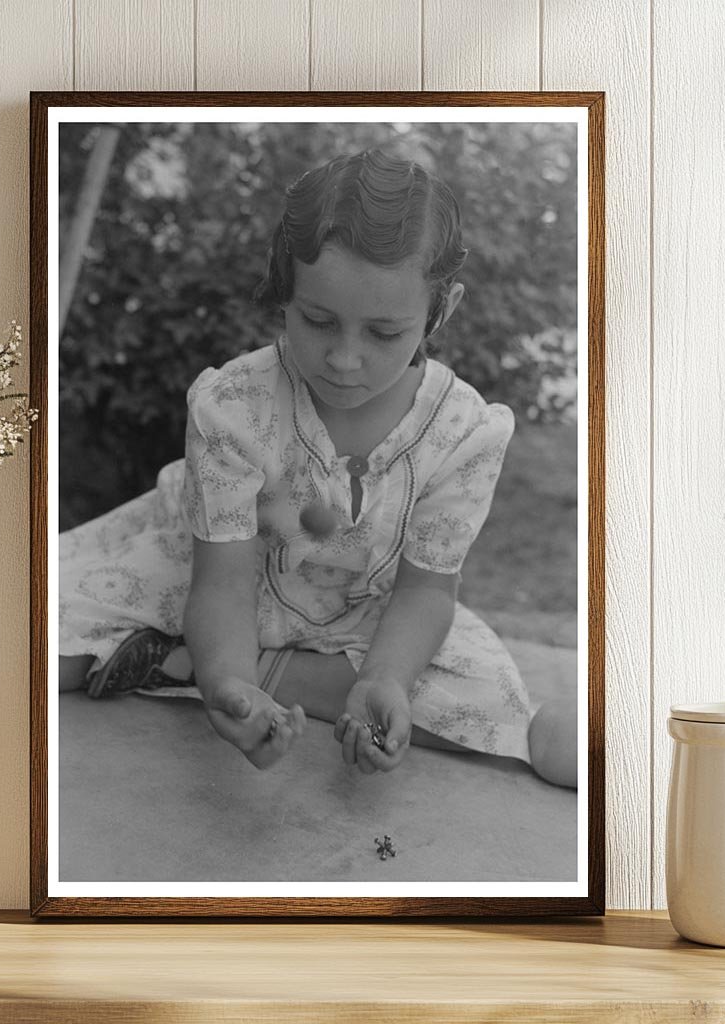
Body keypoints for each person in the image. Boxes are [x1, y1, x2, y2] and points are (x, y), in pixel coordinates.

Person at [59, 147, 576, 786]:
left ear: (442, 308)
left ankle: (179, 664)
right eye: (318, 320)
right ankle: (215, 665)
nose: (344, 359)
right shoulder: (234, 407)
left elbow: (425, 590)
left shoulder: (464, 433)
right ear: (286, 289)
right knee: (41, 639)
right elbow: (220, 582)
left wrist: (386, 676)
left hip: (366, 608)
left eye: (384, 333)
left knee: (492, 707)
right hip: (212, 571)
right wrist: (232, 685)